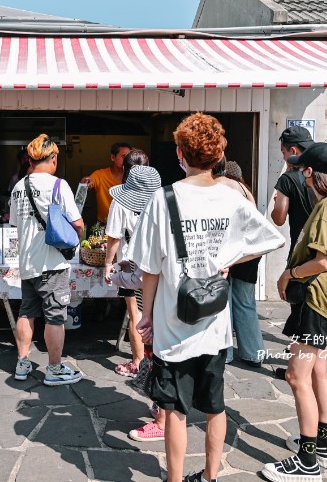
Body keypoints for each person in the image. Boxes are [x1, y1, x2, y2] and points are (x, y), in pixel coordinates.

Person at [128, 113, 284, 482]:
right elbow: (271, 238)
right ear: (218, 156)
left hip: (172, 322)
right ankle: (211, 477)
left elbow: (149, 267)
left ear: (180, 153)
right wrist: (228, 258)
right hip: (214, 322)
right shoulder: (231, 197)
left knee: (176, 409)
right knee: (215, 406)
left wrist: (145, 314)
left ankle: (175, 478)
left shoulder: (164, 199)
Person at [262, 142, 327, 482]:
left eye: (301, 169)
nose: (299, 174)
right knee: (318, 372)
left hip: (316, 303)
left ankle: (306, 462)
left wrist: (289, 274)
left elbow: (323, 261)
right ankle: (321, 448)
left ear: (311, 173)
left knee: (295, 376)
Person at [271, 127, 327, 376]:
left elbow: (279, 218)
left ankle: (299, 366)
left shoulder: (291, 180)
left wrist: (288, 273)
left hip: (308, 259)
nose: (284, 157)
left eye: (284, 152)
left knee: (304, 311)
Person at [10, 134, 85, 386]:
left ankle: (22, 363)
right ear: (53, 158)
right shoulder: (58, 185)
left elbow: (15, 224)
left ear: (30, 160)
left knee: (26, 312)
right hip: (52, 264)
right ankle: (54, 368)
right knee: (55, 316)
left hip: (27, 263)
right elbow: (77, 224)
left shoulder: (19, 187)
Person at [104, 149, 153, 378]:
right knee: (152, 313)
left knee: (136, 315)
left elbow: (114, 237)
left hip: (130, 267)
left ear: (125, 171)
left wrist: (107, 264)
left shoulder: (121, 199)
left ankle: (138, 362)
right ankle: (153, 362)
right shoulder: (159, 196)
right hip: (154, 266)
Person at [213, 158, 265, 368]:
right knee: (246, 303)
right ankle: (254, 353)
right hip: (250, 252)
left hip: (231, 251)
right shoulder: (245, 189)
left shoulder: (221, 186)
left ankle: (225, 353)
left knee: (223, 305)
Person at [80, 142, 132, 223]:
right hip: (104, 226)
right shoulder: (100, 175)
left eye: (129, 157)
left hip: (128, 226)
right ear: (113, 157)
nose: (127, 160)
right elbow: (89, 181)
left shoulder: (134, 177)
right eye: (124, 156)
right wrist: (85, 182)